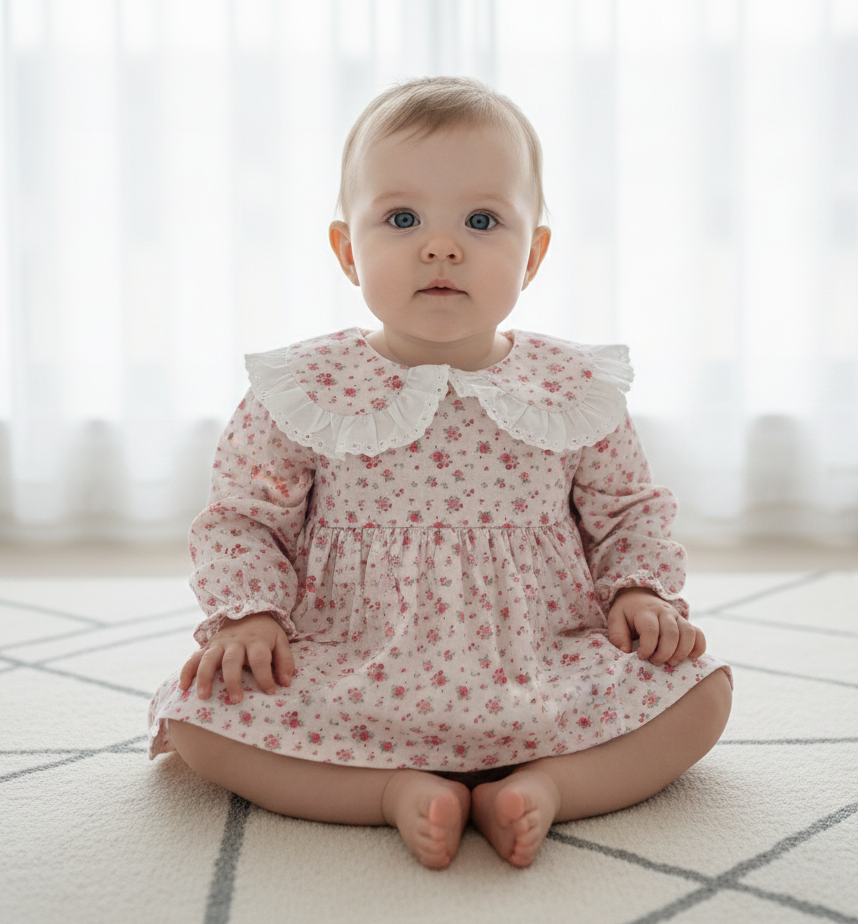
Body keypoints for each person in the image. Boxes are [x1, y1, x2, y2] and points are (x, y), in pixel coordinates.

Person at [148, 76, 732, 871]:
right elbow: (246, 517)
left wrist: (637, 593)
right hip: (355, 661)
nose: (440, 246)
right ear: (348, 251)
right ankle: (392, 790)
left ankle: (544, 785)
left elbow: (625, 512)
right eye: (401, 219)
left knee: (701, 693)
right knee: (196, 717)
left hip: (541, 659)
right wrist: (251, 618)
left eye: (481, 221)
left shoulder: (570, 388)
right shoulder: (307, 388)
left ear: (533, 255)